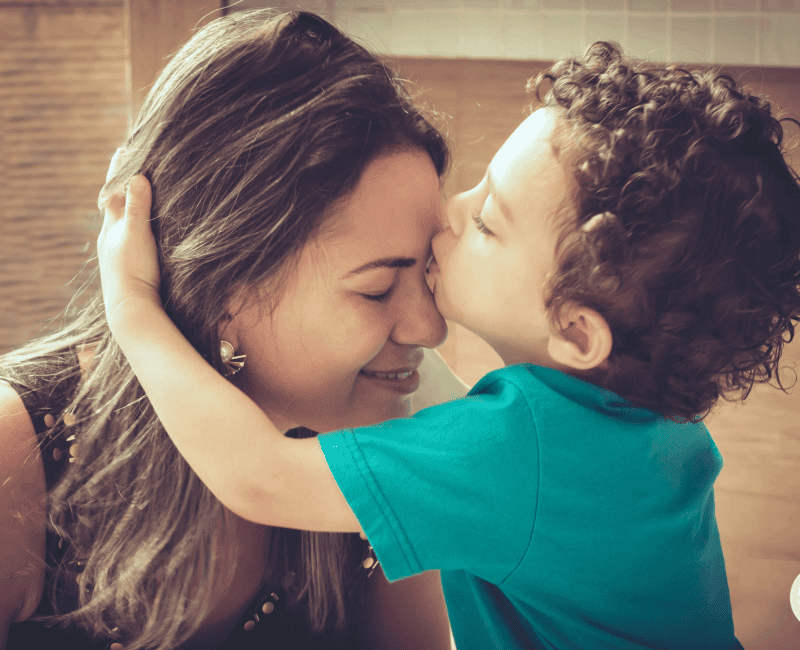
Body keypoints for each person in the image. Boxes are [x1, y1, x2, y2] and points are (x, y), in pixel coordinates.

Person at [99, 41, 800, 649]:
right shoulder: (653, 427)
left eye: (487, 222)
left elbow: (258, 477)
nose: (448, 215)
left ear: (577, 331)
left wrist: (133, 305)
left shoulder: (514, 453)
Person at [0, 9, 468, 650]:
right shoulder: (17, 454)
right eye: (378, 288)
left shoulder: (381, 461)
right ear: (224, 290)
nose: (429, 326)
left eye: (432, 274)